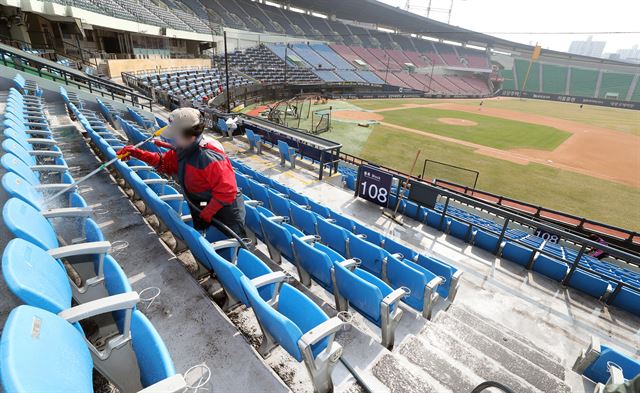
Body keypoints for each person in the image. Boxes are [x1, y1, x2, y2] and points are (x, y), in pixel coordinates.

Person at [117, 108, 246, 237]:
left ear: (188, 133)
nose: (172, 138)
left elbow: (226, 192)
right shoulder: (183, 148)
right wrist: (137, 153)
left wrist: (207, 213)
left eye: (175, 134)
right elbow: (164, 163)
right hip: (202, 203)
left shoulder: (209, 158)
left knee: (234, 247)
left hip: (225, 211)